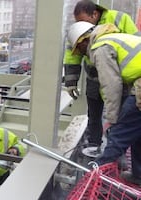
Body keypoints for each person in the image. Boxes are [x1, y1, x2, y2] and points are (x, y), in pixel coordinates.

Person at [67, 21, 141, 185]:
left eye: (79, 49)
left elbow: (111, 86)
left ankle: (93, 178)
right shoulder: (113, 39)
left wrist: (112, 120)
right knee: (137, 132)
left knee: (118, 135)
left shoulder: (100, 48)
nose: (82, 54)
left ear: (83, 41)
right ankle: (138, 175)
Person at [63, 0, 139, 148]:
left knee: (120, 115)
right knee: (94, 115)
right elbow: (72, 55)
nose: (82, 26)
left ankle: (115, 149)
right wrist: (71, 82)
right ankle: (94, 144)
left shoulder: (119, 18)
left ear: (95, 14)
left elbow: (134, 42)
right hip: (94, 77)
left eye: (84, 21)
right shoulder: (79, 30)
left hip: (118, 78)